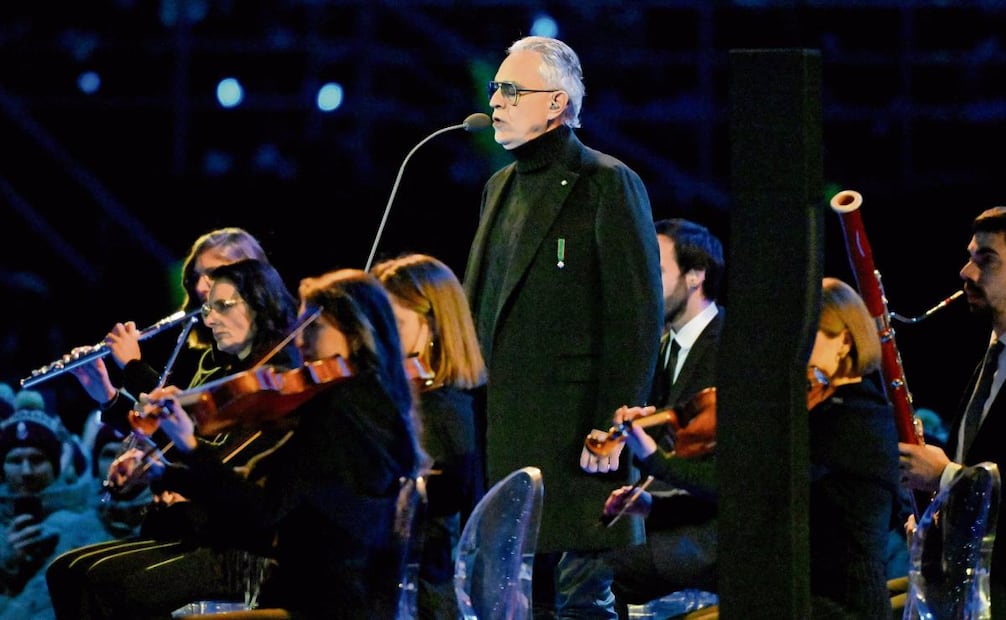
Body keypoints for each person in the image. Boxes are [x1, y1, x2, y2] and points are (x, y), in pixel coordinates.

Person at [462, 35, 662, 618]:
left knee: (580, 605)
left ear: (555, 103)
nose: (495, 100)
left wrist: (612, 426)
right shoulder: (497, 186)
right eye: (495, 89)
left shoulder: (607, 182)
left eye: (510, 90)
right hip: (503, 436)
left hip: (579, 443)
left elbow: (636, 318)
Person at [126, 268, 425, 618]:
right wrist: (165, 472)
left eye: (314, 328)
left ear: (355, 333)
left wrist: (190, 448)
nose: (299, 341)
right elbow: (261, 491)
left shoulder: (340, 413)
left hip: (320, 604)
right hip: (337, 598)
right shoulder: (374, 405)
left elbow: (262, 511)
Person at [605, 277, 901, 618]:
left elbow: (744, 486)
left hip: (838, 608)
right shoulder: (820, 409)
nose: (791, 346)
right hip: (793, 600)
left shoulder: (857, 416)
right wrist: (653, 507)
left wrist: (655, 458)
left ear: (844, 342)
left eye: (806, 333)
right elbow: (751, 504)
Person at [46, 258, 302, 619]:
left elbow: (214, 455)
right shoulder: (226, 373)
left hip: (241, 550)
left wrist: (134, 369)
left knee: (114, 588)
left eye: (223, 306)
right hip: (202, 533)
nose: (209, 319)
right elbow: (181, 438)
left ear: (261, 305)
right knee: (65, 572)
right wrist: (110, 396)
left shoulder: (276, 384)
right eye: (208, 308)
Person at [584, 218, 724, 612]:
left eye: (657, 269)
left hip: (705, 534)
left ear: (696, 275)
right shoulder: (660, 348)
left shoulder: (729, 348)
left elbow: (713, 469)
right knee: (562, 551)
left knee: (592, 572)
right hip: (663, 521)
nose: (645, 280)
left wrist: (650, 470)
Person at [899, 205, 1006, 614]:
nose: (966, 272)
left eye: (986, 260)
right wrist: (937, 523)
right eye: (969, 256)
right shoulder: (989, 358)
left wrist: (944, 476)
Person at [372, 252, 488, 619]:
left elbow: (428, 507)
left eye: (395, 324)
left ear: (434, 324)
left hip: (418, 598)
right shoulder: (416, 400)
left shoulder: (442, 408)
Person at [69, 227, 270, 439]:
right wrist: (108, 396)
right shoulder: (211, 363)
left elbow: (203, 453)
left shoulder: (269, 361)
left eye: (213, 273)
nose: (201, 287)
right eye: (196, 278)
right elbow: (173, 446)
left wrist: (133, 368)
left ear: (252, 277)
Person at [0, 389, 113, 620]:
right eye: (15, 460)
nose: (26, 471)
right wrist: (6, 564)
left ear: (55, 465)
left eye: (36, 459)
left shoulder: (90, 516)